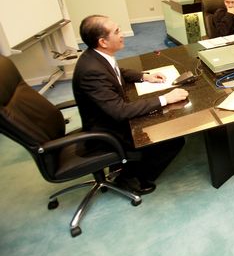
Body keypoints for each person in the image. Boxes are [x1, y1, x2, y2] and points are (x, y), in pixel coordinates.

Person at [72, 15, 188, 195]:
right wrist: (165, 99)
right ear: (103, 42)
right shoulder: (91, 72)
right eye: (117, 31)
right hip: (107, 132)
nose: (122, 34)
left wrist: (144, 76)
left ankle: (129, 168)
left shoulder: (96, 57)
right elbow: (120, 111)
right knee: (172, 138)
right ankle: (131, 178)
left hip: (108, 118)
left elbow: (116, 72)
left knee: (160, 115)